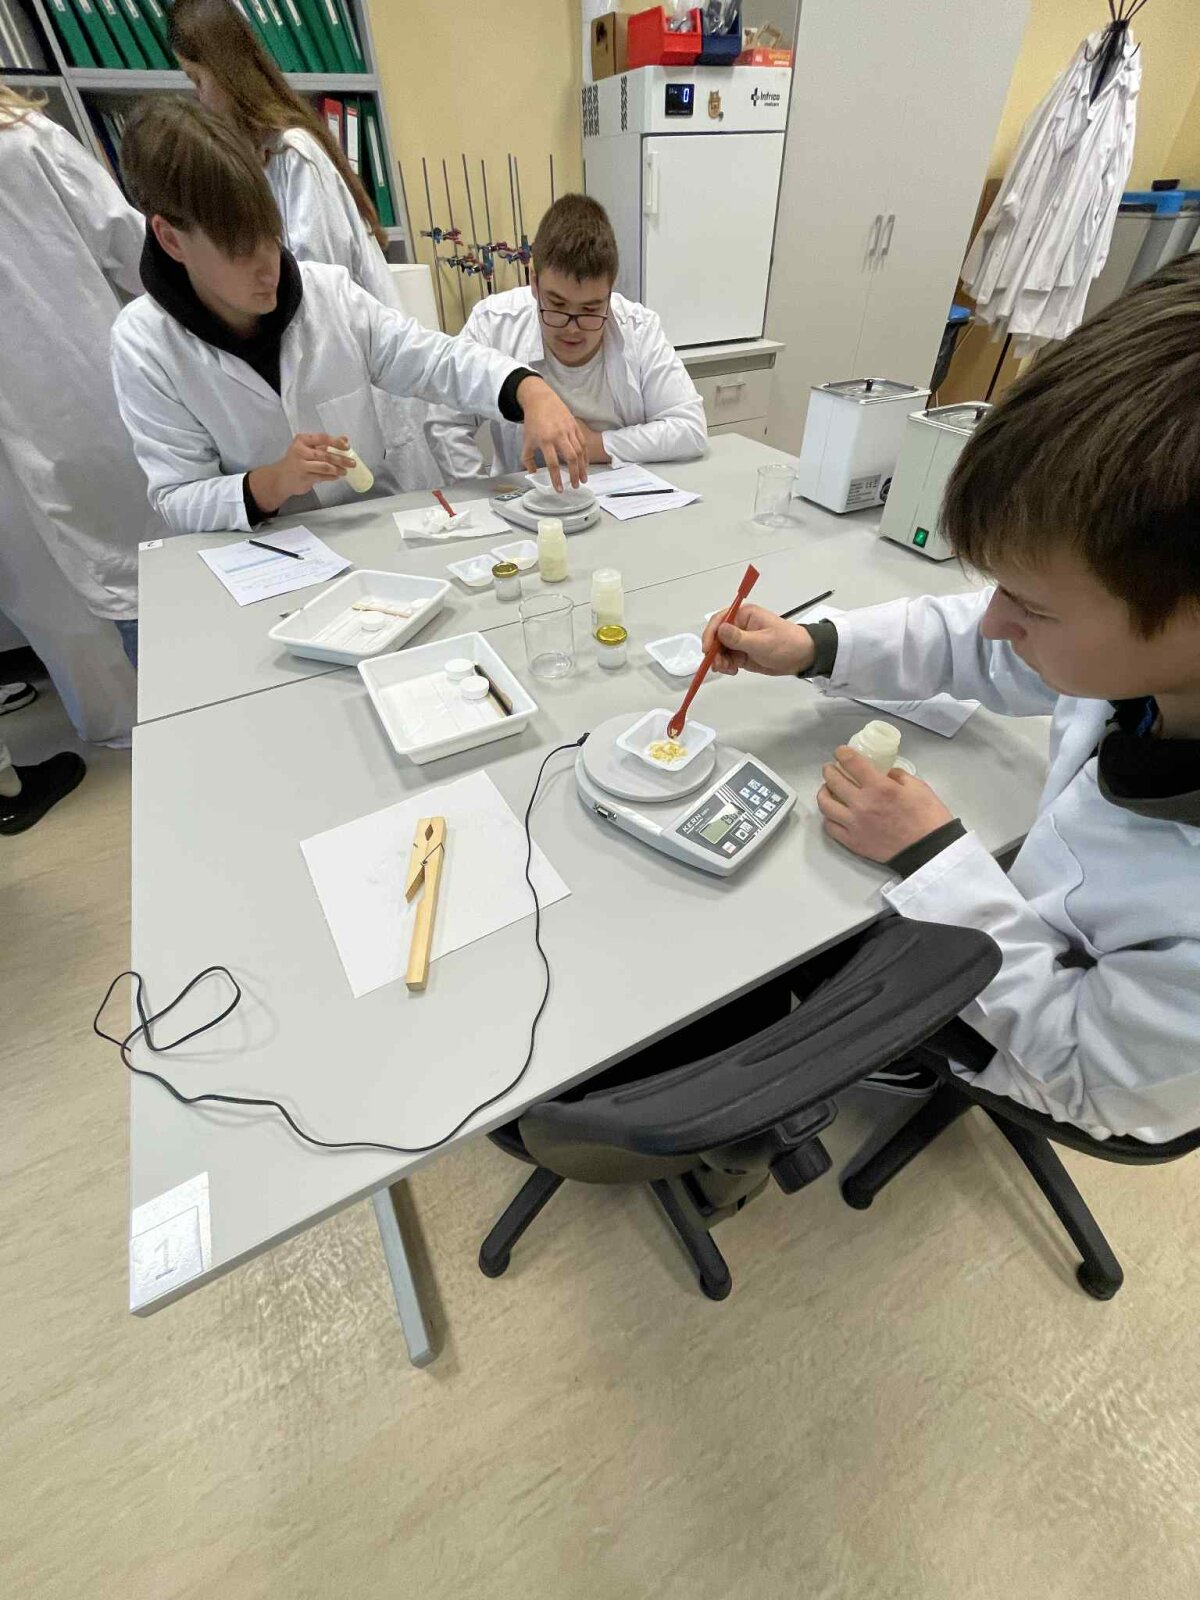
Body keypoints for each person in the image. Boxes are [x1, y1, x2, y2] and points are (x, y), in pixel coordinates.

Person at [702, 255, 1200, 1145]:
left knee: (786, 944)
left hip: (1042, 1055)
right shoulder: (1149, 660)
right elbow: (979, 640)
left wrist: (934, 858)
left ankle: (902, 1054)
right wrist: (816, 647)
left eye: (1034, 605)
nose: (997, 618)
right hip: (1025, 926)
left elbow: (1091, 1077)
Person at [109, 98, 587, 537]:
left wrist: (529, 389)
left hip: (365, 532)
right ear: (171, 240)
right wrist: (271, 482)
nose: (268, 269)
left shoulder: (328, 295)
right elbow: (177, 496)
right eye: (238, 252)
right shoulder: (145, 344)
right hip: (261, 552)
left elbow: (434, 360)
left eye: (270, 238)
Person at [168, 0, 444, 493]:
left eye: (198, 80)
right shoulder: (258, 158)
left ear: (227, 72)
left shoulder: (293, 155)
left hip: (353, 377)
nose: (199, 98)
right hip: (326, 387)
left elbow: (312, 292)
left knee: (386, 505)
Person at [0, 85, 156, 736]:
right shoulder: (26, 141)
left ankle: (120, 725)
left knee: (58, 593)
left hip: (37, 427)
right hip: (82, 393)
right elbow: (134, 251)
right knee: (146, 566)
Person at [426, 193, 706, 481]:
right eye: (557, 304)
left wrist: (596, 445)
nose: (572, 328)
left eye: (590, 309)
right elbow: (445, 422)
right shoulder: (493, 323)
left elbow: (690, 429)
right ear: (534, 282)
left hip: (621, 491)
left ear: (610, 292)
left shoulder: (639, 327)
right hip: (524, 496)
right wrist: (482, 493)